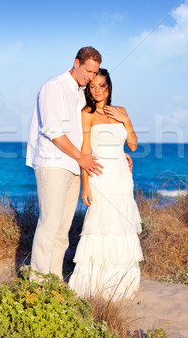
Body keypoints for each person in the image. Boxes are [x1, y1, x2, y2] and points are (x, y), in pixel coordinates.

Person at [26, 46, 104, 279]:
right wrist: (81, 157)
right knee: (49, 223)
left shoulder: (81, 93)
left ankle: (54, 278)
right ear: (76, 62)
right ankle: (37, 282)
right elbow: (52, 129)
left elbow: (85, 132)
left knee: (63, 229)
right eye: (88, 71)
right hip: (52, 162)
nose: (91, 77)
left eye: (94, 73)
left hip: (73, 166)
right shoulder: (54, 86)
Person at [68, 68, 143, 300]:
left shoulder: (121, 111)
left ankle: (121, 282)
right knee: (101, 226)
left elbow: (133, 146)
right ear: (89, 90)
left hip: (121, 176)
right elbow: (85, 150)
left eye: (102, 85)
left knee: (121, 225)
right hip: (100, 176)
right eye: (93, 86)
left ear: (109, 87)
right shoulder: (87, 113)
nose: (97, 90)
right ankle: (95, 283)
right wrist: (86, 184)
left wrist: (126, 120)